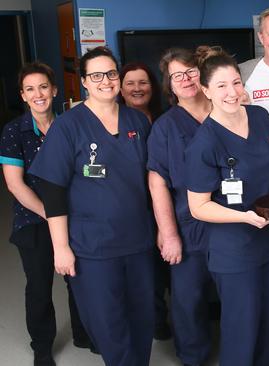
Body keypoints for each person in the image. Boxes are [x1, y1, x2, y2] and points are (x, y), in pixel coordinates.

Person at [28, 46, 155, 366]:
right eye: (96, 75)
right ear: (84, 81)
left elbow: (153, 180)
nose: (106, 81)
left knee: (142, 317)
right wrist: (61, 248)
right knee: (107, 322)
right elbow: (53, 190)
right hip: (92, 245)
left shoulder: (136, 121)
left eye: (111, 73)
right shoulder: (68, 126)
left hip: (138, 241)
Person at [185, 46, 269, 366]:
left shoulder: (259, 117)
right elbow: (198, 207)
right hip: (234, 249)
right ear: (205, 90)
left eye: (235, 83)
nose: (232, 92)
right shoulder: (204, 142)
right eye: (221, 86)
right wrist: (244, 217)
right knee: (242, 328)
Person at [0, 62, 94, 365]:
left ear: (54, 90)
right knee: (39, 284)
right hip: (34, 219)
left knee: (79, 278)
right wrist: (51, 216)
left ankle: (83, 333)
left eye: (43, 87)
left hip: (75, 215)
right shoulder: (14, 131)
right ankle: (42, 346)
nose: (38, 94)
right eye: (30, 89)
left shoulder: (71, 125)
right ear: (23, 96)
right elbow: (15, 185)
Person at [147, 47, 214, 366]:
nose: (186, 79)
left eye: (191, 71)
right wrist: (168, 233)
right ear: (170, 85)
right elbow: (157, 181)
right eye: (177, 75)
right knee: (188, 300)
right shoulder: (165, 127)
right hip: (190, 227)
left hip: (234, 221)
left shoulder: (227, 109)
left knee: (239, 297)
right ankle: (194, 357)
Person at [118, 61, 172, 341]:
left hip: (168, 205)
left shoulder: (165, 119)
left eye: (144, 83)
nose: (138, 89)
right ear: (120, 88)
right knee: (146, 270)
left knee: (171, 265)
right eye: (131, 83)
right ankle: (155, 320)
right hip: (135, 208)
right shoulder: (113, 122)